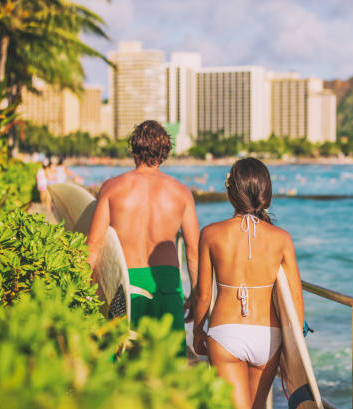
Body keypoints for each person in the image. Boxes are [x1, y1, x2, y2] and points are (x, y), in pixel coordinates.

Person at [193, 158, 305, 409]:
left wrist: (198, 330)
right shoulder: (282, 238)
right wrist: (294, 349)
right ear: (266, 192)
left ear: (231, 191)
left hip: (225, 335)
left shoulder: (210, 233)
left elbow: (203, 294)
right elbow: (297, 298)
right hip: (268, 336)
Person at [86, 120, 199, 355]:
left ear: (134, 149)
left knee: (123, 361)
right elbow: (193, 251)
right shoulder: (181, 193)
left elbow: (93, 246)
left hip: (126, 284)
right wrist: (196, 294)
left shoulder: (112, 188)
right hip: (166, 285)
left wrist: (84, 291)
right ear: (165, 152)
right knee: (167, 367)